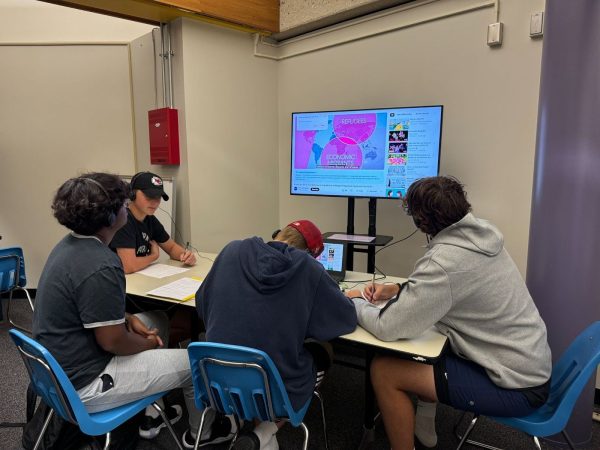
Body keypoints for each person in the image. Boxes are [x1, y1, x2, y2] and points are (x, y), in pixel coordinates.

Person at [347, 176, 552, 450]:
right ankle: (423, 424)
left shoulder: (445, 260)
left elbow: (389, 327)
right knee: (427, 343)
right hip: (527, 363)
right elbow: (454, 287)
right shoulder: (480, 234)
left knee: (385, 369)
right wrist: (395, 288)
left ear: (421, 221)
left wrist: (353, 302)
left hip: (515, 385)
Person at [31, 173, 231, 449]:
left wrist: (126, 318)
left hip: (61, 369)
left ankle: (152, 412)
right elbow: (112, 341)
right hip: (86, 383)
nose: (128, 208)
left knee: (158, 319)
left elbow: (82, 304)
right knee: (196, 362)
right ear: (111, 216)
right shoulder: (102, 264)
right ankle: (202, 434)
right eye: (124, 204)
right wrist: (146, 343)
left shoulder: (69, 246)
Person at [195, 220, 358, 450]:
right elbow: (345, 319)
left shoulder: (231, 250)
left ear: (277, 236)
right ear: (311, 254)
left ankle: (259, 435)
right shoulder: (309, 268)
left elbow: (202, 305)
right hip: (278, 391)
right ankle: (264, 432)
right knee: (324, 350)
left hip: (218, 383)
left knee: (257, 349)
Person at [110, 171, 196, 274]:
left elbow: (171, 247)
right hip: (120, 283)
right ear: (132, 194)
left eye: (158, 197)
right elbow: (129, 266)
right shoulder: (123, 220)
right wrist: (153, 256)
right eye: (149, 196)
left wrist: (185, 255)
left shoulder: (150, 219)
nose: (155, 202)